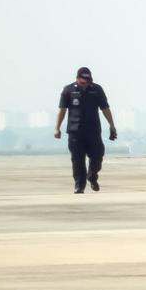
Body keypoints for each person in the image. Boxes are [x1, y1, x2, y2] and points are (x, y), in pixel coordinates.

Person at [54, 66, 116, 194]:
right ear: (77, 79)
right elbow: (62, 110)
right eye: (83, 81)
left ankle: (92, 176)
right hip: (75, 131)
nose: (86, 84)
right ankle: (79, 185)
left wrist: (112, 125)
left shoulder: (97, 90)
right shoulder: (68, 90)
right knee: (77, 159)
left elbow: (105, 108)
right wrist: (57, 128)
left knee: (97, 155)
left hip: (93, 130)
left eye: (88, 81)